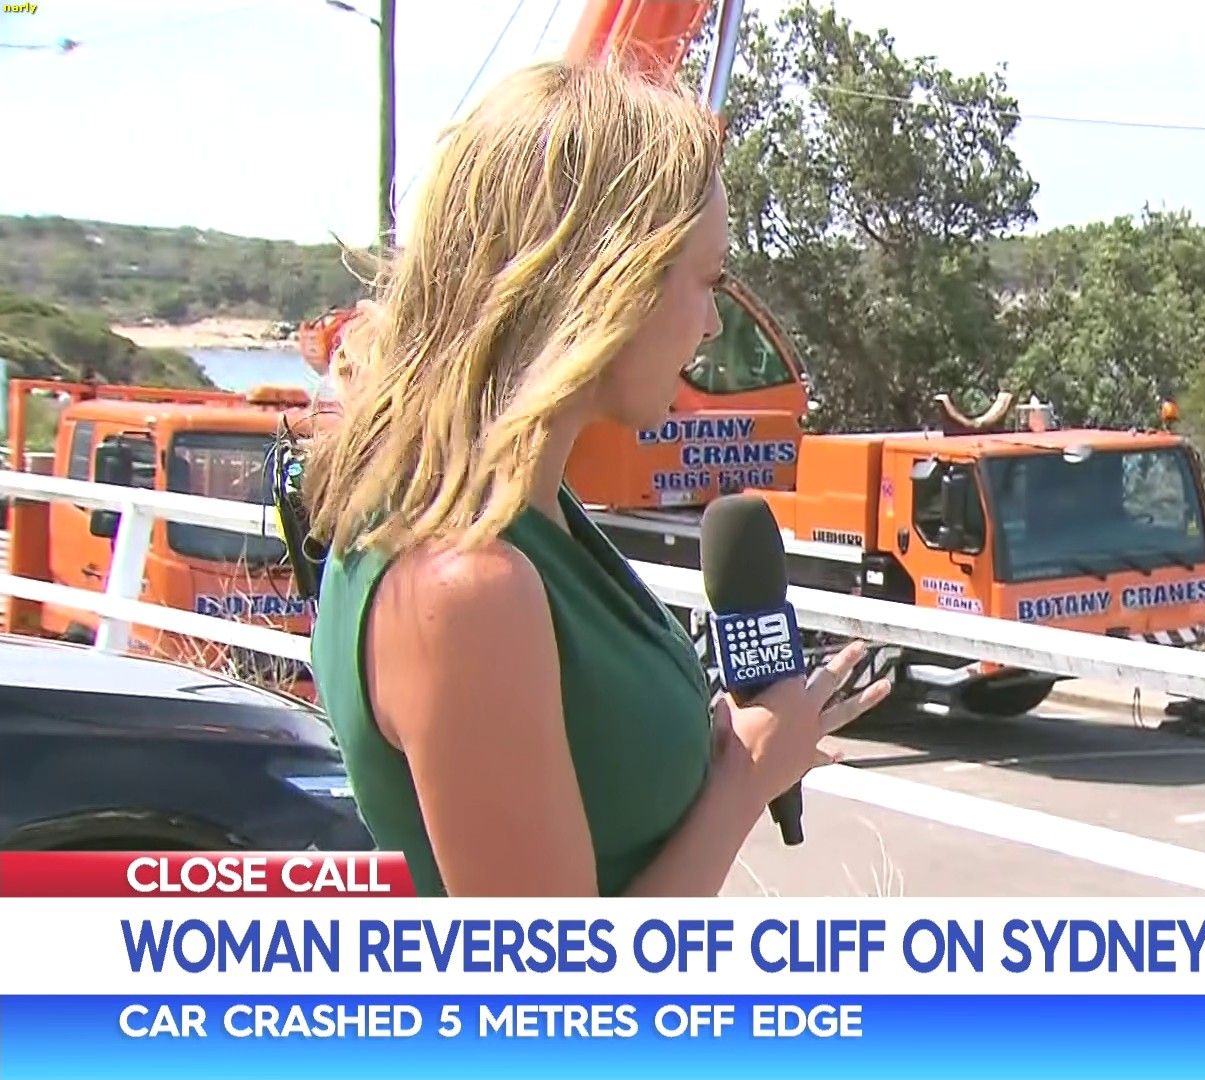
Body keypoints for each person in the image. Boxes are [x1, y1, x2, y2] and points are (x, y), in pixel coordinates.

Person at [300, 59, 890, 898]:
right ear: (607, 284)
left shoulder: (508, 507)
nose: (711, 323)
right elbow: (558, 974)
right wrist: (745, 780)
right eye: (705, 281)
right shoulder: (468, 589)